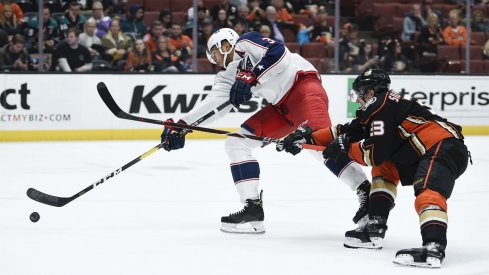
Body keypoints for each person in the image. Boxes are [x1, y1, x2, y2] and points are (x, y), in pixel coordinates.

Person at [159, 28, 371, 234]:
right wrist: (182, 125)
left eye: (214, 53)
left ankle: (366, 193)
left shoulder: (246, 43)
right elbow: (213, 104)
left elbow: (278, 52)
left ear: (225, 45)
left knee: (319, 146)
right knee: (236, 143)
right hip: (281, 109)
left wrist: (251, 77)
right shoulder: (226, 77)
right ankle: (252, 208)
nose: (214, 59)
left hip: (304, 89)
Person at [295, 69, 468, 268]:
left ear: (370, 92)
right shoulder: (383, 106)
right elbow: (346, 130)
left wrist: (345, 150)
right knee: (384, 169)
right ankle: (375, 226)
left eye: (359, 94)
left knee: (428, 194)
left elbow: (373, 153)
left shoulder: (381, 106)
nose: (357, 100)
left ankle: (433, 248)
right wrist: (308, 137)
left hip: (442, 147)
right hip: (426, 149)